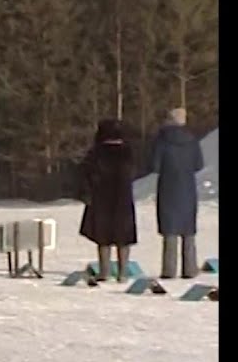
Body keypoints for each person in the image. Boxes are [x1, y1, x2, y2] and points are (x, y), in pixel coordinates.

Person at [79, 118, 138, 282]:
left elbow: (85, 174)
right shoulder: (128, 151)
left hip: (101, 198)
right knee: (123, 236)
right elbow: (133, 173)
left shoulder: (96, 152)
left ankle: (104, 271)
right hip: (123, 199)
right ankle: (123, 272)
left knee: (103, 236)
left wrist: (87, 192)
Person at [150, 108, 205, 278]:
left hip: (168, 188)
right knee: (188, 230)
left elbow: (155, 166)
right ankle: (190, 268)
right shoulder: (192, 140)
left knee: (170, 230)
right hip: (187, 188)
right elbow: (199, 165)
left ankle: (169, 270)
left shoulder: (162, 140)